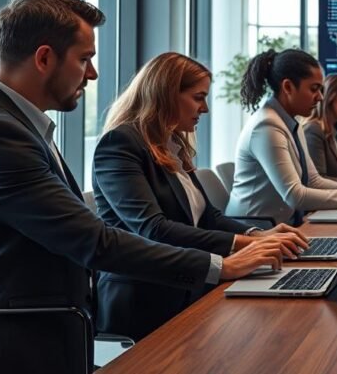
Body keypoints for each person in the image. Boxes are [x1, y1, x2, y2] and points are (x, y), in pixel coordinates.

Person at [0, 0, 294, 374]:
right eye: (84, 59)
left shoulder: (19, 124)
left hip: (52, 327)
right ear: (44, 59)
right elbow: (95, 240)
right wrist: (222, 265)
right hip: (20, 339)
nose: (92, 74)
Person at [92, 52, 308, 340]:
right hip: (144, 297)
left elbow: (208, 216)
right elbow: (152, 228)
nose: (204, 109)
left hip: (187, 284)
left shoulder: (172, 144)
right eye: (198, 97)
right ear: (167, 94)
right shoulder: (120, 144)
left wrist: (258, 235)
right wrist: (247, 243)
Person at [226, 49, 337, 225]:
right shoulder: (266, 127)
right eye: (314, 89)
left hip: (281, 227)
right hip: (255, 230)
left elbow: (314, 181)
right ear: (288, 87)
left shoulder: (290, 122)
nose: (320, 97)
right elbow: (295, 196)